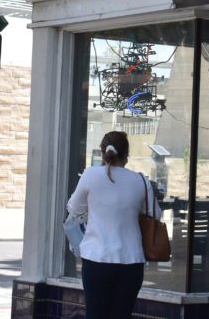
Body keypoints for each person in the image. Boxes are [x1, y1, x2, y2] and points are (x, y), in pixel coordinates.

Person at [68, 130, 154, 319]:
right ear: (126, 155)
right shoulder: (141, 181)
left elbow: (73, 208)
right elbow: (155, 215)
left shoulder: (91, 175)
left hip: (96, 259)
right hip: (131, 262)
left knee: (95, 314)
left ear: (103, 152)